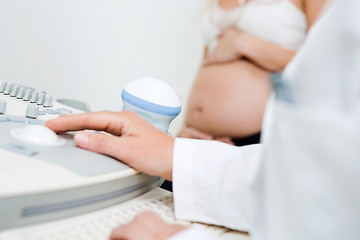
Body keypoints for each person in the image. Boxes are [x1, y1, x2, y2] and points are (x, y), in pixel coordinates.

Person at [46, 0, 360, 239]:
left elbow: (324, 70)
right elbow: (209, 62)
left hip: (257, 139)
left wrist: (246, 44)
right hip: (204, 145)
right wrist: (179, 139)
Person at [178, 0, 328, 146]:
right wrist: (185, 127)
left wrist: (244, 44)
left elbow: (323, 64)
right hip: (198, 137)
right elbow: (209, 59)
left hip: (261, 139)